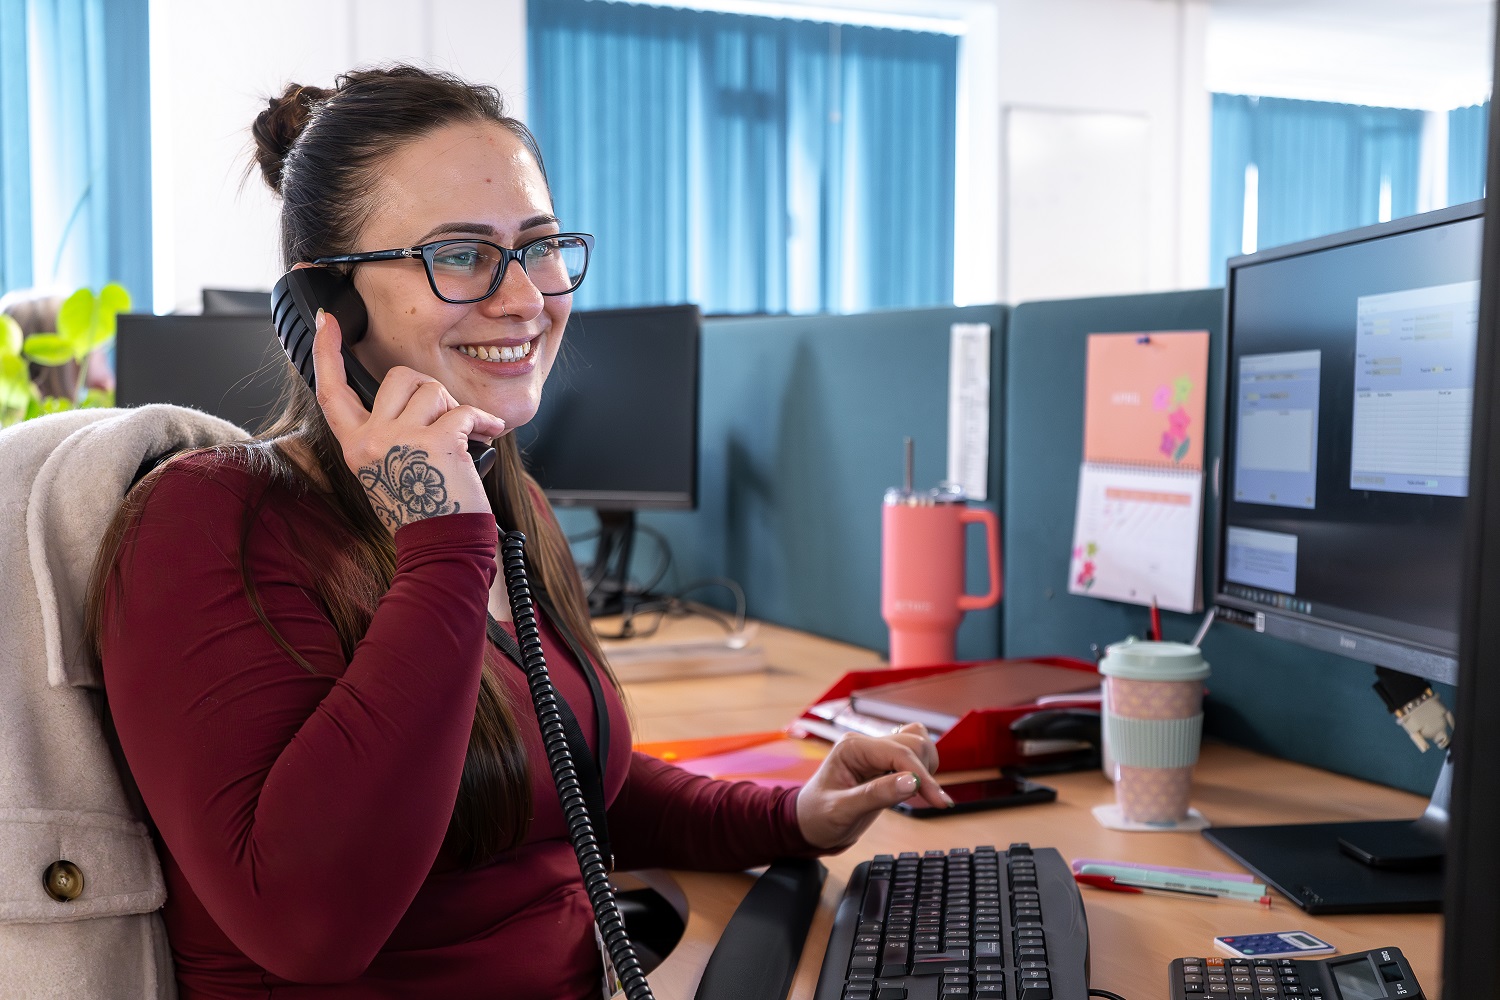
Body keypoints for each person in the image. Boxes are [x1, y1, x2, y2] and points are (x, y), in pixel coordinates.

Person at [86, 65, 952, 999]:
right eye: (460, 254)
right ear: (326, 306)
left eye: (540, 247)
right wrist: (444, 547)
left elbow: (556, 775)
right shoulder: (208, 522)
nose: (525, 298)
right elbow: (305, 925)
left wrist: (794, 815)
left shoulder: (508, 498)